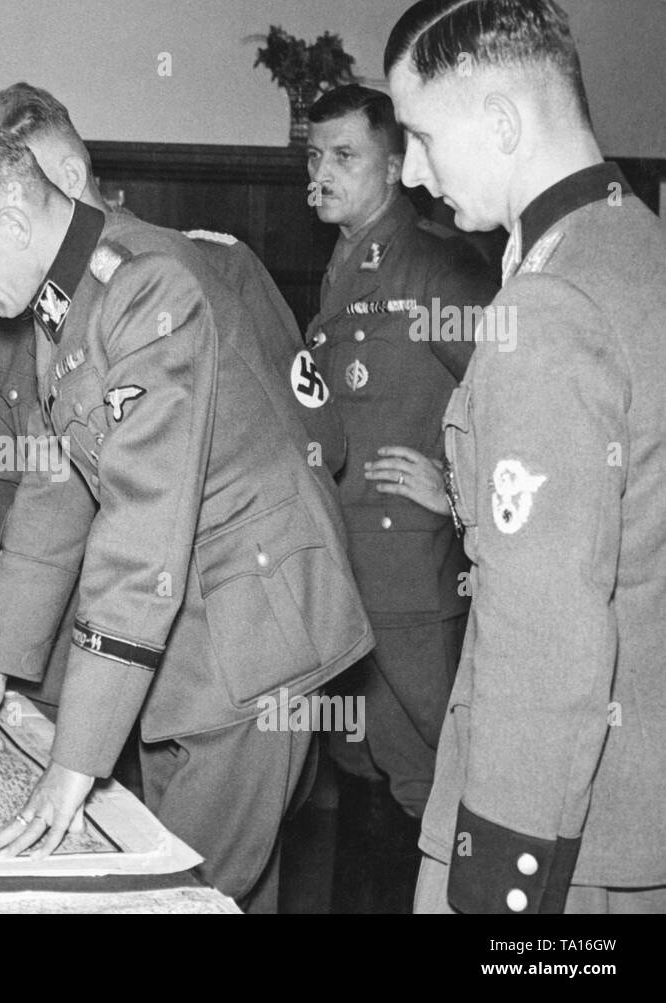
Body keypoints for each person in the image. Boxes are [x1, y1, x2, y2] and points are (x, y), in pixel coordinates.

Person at [0, 123, 374, 910]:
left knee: (186, 895)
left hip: (250, 637)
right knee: (191, 886)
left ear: (15, 223)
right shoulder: (70, 297)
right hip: (185, 639)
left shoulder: (147, 284)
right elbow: (57, 490)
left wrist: (75, 758)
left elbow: (140, 527)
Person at [387, 0, 666, 914]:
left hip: (560, 838)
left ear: (501, 121)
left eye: (422, 136)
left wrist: (497, 887)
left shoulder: (547, 307)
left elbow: (545, 631)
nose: (414, 172)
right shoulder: (637, 246)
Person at [303, 83, 498, 911]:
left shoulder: (435, 262)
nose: (321, 173)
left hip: (414, 584)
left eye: (343, 156)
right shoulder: (343, 262)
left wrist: (456, 489)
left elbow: (513, 402)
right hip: (350, 572)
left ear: (395, 163)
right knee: (361, 778)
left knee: (430, 787)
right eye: (313, 157)